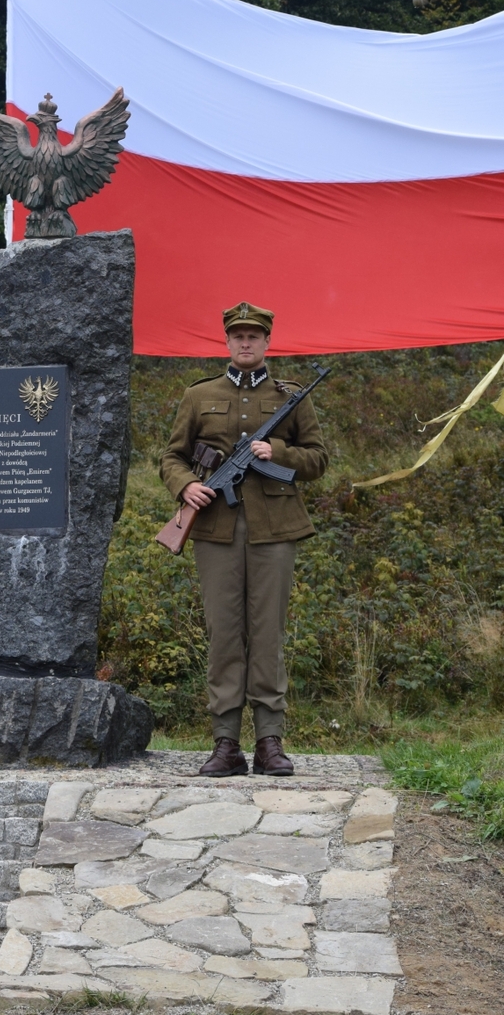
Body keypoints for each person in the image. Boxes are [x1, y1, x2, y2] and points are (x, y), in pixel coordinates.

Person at [161, 302, 328, 776]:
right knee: (224, 635)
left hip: (275, 529)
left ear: (267, 341)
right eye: (239, 336)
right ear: (228, 341)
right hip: (215, 529)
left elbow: (318, 460)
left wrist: (275, 450)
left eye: (255, 335)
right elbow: (171, 457)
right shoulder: (199, 395)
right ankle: (226, 743)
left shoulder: (291, 396)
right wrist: (185, 485)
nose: (247, 342)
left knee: (268, 633)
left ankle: (270, 742)